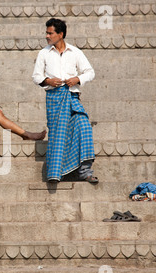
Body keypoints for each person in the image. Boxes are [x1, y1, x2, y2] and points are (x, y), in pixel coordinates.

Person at [32, 18, 98, 183]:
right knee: (57, 135)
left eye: (50, 33)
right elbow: (36, 76)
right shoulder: (44, 53)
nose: (47, 36)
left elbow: (90, 72)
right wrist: (48, 81)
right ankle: (56, 173)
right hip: (54, 98)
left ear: (60, 34)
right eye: (46, 33)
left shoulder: (75, 52)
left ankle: (85, 172)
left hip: (72, 96)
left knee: (84, 127)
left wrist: (77, 79)